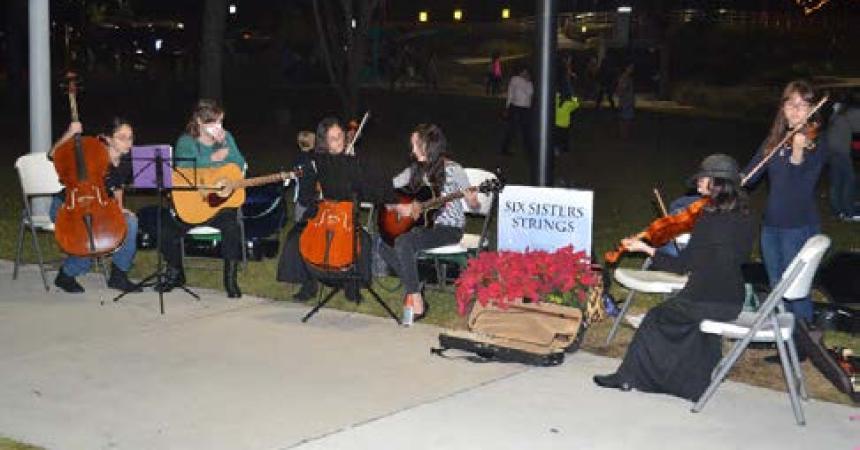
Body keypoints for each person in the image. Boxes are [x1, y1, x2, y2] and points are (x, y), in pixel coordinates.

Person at [593, 154, 755, 401]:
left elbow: (682, 266)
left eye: (703, 179)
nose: (698, 183)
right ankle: (690, 385)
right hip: (731, 299)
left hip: (705, 299)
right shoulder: (745, 217)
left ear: (717, 183)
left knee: (655, 318)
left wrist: (646, 249)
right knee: (686, 323)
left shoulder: (709, 219)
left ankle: (626, 376)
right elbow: (726, 255)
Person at [276, 117, 396, 302]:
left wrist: (353, 165)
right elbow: (306, 194)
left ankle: (352, 286)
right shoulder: (316, 160)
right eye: (333, 138)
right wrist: (310, 182)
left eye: (340, 136)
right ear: (324, 142)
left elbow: (368, 187)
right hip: (321, 211)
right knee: (296, 237)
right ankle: (309, 284)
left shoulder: (354, 159)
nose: (339, 141)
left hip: (347, 214)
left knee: (362, 242)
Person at [742, 80, 826, 335]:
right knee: (777, 285)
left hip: (798, 226)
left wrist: (797, 154)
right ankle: (782, 338)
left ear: (812, 108)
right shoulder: (774, 141)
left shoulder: (817, 143)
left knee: (796, 289)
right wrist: (728, 180)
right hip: (771, 225)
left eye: (802, 105)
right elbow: (750, 175)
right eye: (790, 103)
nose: (795, 110)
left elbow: (798, 186)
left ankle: (804, 340)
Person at [379, 124, 480, 325]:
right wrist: (398, 207)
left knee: (404, 243)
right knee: (384, 245)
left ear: (429, 145)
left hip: (448, 229)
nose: (413, 150)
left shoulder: (453, 170)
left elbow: (475, 207)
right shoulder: (415, 170)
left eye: (416, 145)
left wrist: (472, 201)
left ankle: (416, 299)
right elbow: (386, 188)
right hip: (423, 227)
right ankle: (416, 283)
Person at [155, 99, 247, 298]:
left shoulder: (227, 137)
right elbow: (183, 169)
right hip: (193, 203)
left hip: (219, 204)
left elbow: (239, 165)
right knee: (164, 229)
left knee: (232, 228)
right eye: (213, 123)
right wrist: (211, 160)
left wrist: (225, 145)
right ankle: (176, 272)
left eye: (221, 122)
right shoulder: (186, 141)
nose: (219, 127)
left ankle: (230, 279)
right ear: (199, 121)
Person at [48, 119, 141, 294]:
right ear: (108, 138)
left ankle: (119, 275)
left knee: (131, 222)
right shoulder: (91, 152)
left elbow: (117, 187)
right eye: (122, 137)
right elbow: (54, 155)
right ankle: (66, 274)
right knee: (89, 243)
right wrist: (70, 133)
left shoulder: (126, 161)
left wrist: (119, 208)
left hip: (99, 206)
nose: (128, 142)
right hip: (69, 206)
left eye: (130, 137)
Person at [825, 92, 859, 220]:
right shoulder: (847, 113)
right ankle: (849, 212)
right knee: (849, 181)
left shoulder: (835, 113)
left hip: (831, 152)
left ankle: (837, 212)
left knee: (836, 182)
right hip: (840, 153)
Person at [499, 67, 533, 156]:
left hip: (525, 108)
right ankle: (505, 148)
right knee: (512, 129)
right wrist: (507, 106)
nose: (525, 73)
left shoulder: (528, 81)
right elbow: (510, 93)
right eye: (523, 71)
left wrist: (528, 82)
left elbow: (530, 93)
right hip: (516, 107)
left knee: (526, 129)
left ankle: (528, 149)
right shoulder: (515, 79)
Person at [553, 89, 580, 156]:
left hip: (556, 123)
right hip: (565, 124)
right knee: (565, 136)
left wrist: (558, 94)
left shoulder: (557, 101)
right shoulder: (568, 104)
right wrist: (574, 98)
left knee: (557, 137)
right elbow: (576, 105)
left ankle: (556, 149)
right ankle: (565, 148)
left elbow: (556, 95)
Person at [615, 63, 635, 137]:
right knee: (625, 119)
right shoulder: (624, 78)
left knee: (626, 119)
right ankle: (624, 134)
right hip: (625, 101)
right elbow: (620, 90)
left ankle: (624, 134)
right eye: (630, 67)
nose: (632, 69)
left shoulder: (627, 78)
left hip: (627, 101)